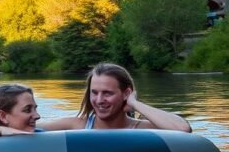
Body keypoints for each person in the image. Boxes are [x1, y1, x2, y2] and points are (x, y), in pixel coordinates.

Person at [40, 62, 191, 132]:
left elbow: (183, 128)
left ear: (126, 93)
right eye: (94, 92)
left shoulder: (141, 128)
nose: (99, 100)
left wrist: (134, 103)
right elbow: (30, 127)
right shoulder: (76, 125)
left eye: (107, 93)